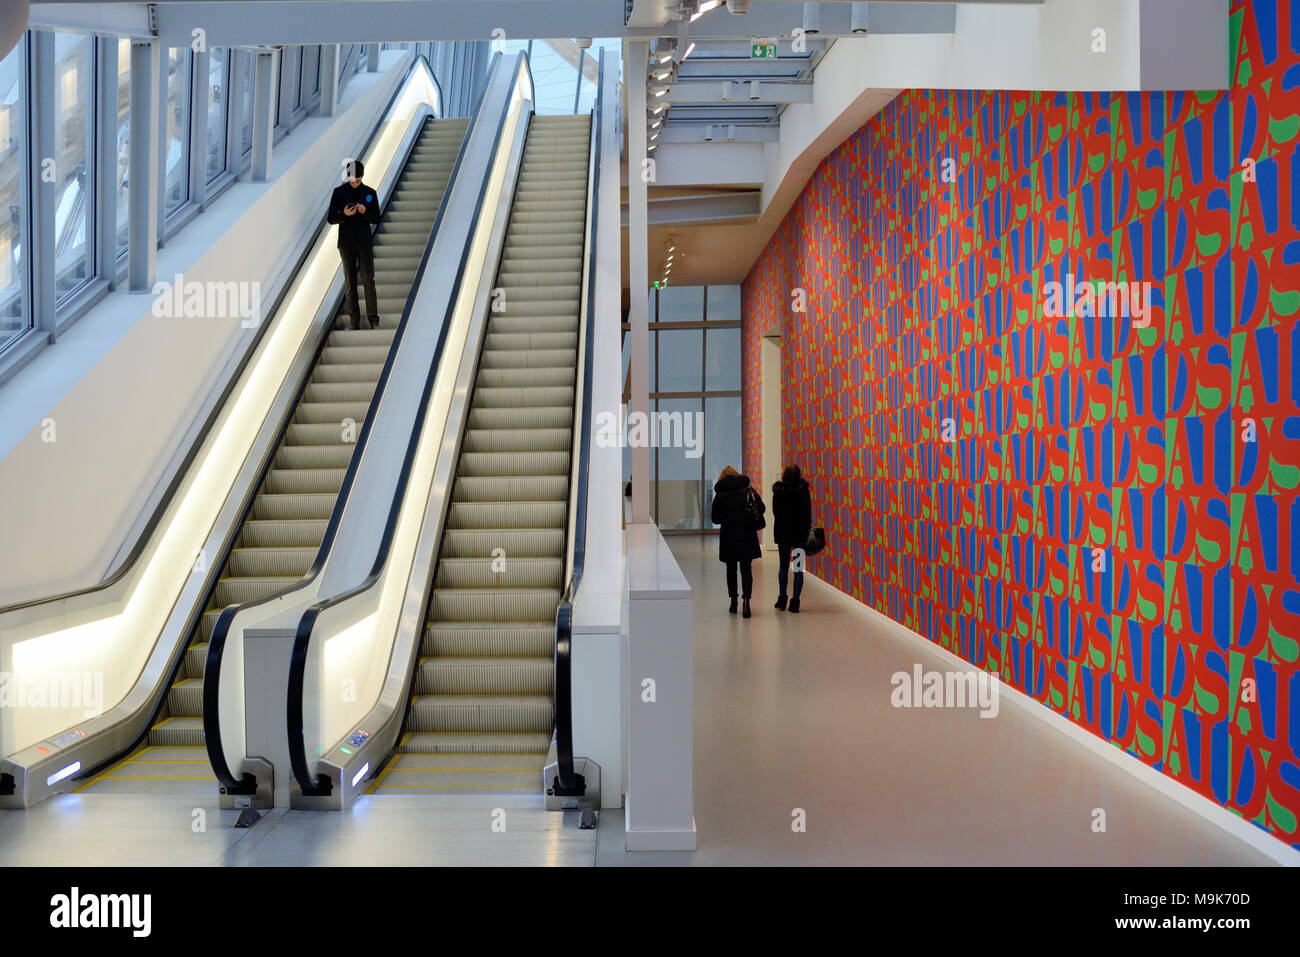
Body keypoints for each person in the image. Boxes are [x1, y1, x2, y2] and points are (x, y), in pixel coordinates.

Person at [328, 159, 382, 330]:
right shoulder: (338, 193)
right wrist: (343, 214)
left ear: (362, 177)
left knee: (368, 279)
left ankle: (373, 320)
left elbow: (376, 217)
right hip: (346, 242)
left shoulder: (369, 193)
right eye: (352, 179)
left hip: (364, 241)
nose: (354, 183)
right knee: (350, 281)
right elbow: (331, 218)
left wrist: (365, 212)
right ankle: (354, 322)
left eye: (357, 180)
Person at [710, 465, 763, 619]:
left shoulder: (720, 494)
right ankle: (746, 602)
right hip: (747, 533)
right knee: (746, 569)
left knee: (731, 569)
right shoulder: (748, 490)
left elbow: (715, 518)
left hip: (729, 536)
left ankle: (733, 602)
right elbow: (762, 508)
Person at [771, 464, 812, 613]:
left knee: (783, 566)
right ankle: (795, 603)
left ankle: (782, 599)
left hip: (783, 534)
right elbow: (808, 513)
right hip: (799, 535)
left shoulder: (779, 491)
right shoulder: (803, 491)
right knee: (798, 569)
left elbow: (775, 511)